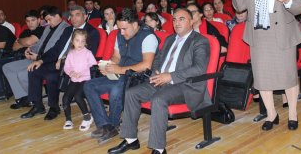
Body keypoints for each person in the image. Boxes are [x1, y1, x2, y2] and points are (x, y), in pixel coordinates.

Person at [108, 8, 210, 154]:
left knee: (158, 99)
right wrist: (155, 71)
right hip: (161, 80)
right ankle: (131, 139)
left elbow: (199, 68)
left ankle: (158, 149)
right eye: (174, 19)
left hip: (185, 85)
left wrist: (170, 76)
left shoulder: (200, 41)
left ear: (192, 21)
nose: (176, 22)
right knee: (131, 93)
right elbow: (157, 59)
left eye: (182, 19)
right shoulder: (169, 39)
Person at [228, 0, 301, 131]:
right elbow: (240, 6)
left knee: (288, 76)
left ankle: (293, 114)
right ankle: (272, 114)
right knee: (262, 78)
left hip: (282, 33)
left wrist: (287, 0)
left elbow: (297, 8)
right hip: (259, 35)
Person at [84, 8, 158, 144]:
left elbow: (146, 65)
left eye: (124, 29)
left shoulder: (148, 37)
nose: (121, 32)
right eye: (120, 28)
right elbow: (117, 56)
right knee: (89, 85)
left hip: (138, 77)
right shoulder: (120, 34)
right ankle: (105, 125)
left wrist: (120, 69)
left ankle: (113, 124)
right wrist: (109, 66)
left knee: (117, 88)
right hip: (121, 73)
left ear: (135, 25)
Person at [23, 5, 99, 121]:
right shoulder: (68, 30)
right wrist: (40, 60)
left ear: (85, 16)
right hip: (57, 62)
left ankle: (54, 108)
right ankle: (37, 105)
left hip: (74, 66)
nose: (73, 18)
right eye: (71, 16)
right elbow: (56, 49)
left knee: (51, 75)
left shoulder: (92, 32)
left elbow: (86, 56)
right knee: (34, 70)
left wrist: (64, 59)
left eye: (77, 15)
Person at [2, 6, 70, 111]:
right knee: (7, 67)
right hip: (36, 57)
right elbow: (40, 44)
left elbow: (57, 51)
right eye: (46, 20)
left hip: (47, 61)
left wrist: (38, 57)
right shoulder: (48, 28)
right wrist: (29, 49)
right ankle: (24, 97)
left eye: (49, 19)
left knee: (24, 73)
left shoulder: (66, 29)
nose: (47, 22)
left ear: (57, 16)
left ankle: (33, 100)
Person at [0, 10, 44, 103]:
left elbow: (28, 42)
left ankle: (21, 96)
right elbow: (14, 47)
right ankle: (4, 93)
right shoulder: (25, 31)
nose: (30, 23)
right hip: (17, 56)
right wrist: (25, 42)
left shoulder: (42, 30)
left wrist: (21, 41)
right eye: (28, 21)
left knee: (4, 67)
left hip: (30, 58)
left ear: (38, 20)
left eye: (33, 20)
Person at [61, 29, 97, 131]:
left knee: (78, 96)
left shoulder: (88, 53)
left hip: (85, 79)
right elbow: (67, 67)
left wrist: (82, 73)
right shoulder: (71, 53)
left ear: (86, 42)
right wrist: (71, 72)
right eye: (77, 40)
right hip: (74, 79)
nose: (80, 43)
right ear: (72, 41)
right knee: (65, 98)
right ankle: (68, 119)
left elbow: (93, 65)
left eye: (82, 41)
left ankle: (87, 117)